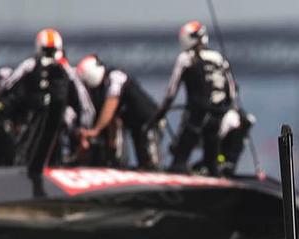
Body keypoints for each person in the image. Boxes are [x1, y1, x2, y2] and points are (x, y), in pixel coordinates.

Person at [147, 20, 242, 176]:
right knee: (212, 162)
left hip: (196, 116)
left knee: (179, 161)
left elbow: (171, 91)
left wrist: (159, 114)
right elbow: (232, 90)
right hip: (218, 116)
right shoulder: (218, 58)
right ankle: (214, 180)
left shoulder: (186, 58)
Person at [1, 29, 94, 181]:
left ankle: (53, 171)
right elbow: (8, 87)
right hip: (32, 119)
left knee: (53, 144)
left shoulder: (65, 69)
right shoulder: (31, 65)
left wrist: (82, 129)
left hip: (57, 122)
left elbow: (83, 102)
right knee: (26, 147)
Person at [75, 54, 161, 170]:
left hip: (148, 121)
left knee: (150, 161)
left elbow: (111, 105)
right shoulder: (100, 91)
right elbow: (111, 119)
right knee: (121, 157)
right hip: (131, 124)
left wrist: (96, 130)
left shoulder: (116, 77)